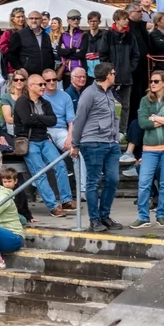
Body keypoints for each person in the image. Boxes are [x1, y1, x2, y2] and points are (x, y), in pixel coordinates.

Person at [72, 62, 121, 232]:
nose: (115, 75)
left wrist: (115, 136)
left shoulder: (109, 93)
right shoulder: (89, 93)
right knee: (93, 182)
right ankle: (94, 219)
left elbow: (114, 116)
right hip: (92, 142)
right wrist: (75, 143)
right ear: (108, 75)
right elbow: (79, 119)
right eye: (113, 72)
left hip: (110, 143)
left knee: (113, 179)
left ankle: (104, 215)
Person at [16, 74, 73, 217]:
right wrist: (41, 119)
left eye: (43, 84)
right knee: (40, 173)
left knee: (60, 165)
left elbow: (53, 120)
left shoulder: (45, 103)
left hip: (44, 139)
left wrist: (35, 117)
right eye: (40, 84)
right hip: (29, 141)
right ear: (30, 86)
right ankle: (53, 206)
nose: (44, 86)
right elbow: (26, 120)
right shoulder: (22, 102)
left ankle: (66, 200)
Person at [131, 70, 164, 228]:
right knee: (144, 183)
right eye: (151, 81)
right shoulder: (145, 101)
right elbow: (143, 123)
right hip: (149, 149)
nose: (152, 84)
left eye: (156, 81)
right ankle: (143, 216)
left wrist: (155, 117)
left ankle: (161, 216)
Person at [100, 9, 140, 134]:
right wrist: (110, 71)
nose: (127, 21)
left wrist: (130, 68)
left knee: (126, 106)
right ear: (117, 20)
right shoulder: (107, 35)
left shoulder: (130, 36)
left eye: (127, 18)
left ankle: (123, 131)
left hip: (126, 77)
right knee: (107, 105)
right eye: (124, 19)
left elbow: (136, 55)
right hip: (110, 78)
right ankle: (108, 130)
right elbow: (102, 54)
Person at [7, 10, 55, 76]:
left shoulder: (46, 36)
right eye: (31, 18)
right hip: (28, 74)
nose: (34, 20)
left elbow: (50, 54)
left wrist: (51, 69)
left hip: (45, 74)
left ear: (41, 20)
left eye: (36, 18)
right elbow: (11, 54)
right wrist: (19, 68)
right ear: (27, 20)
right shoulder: (19, 35)